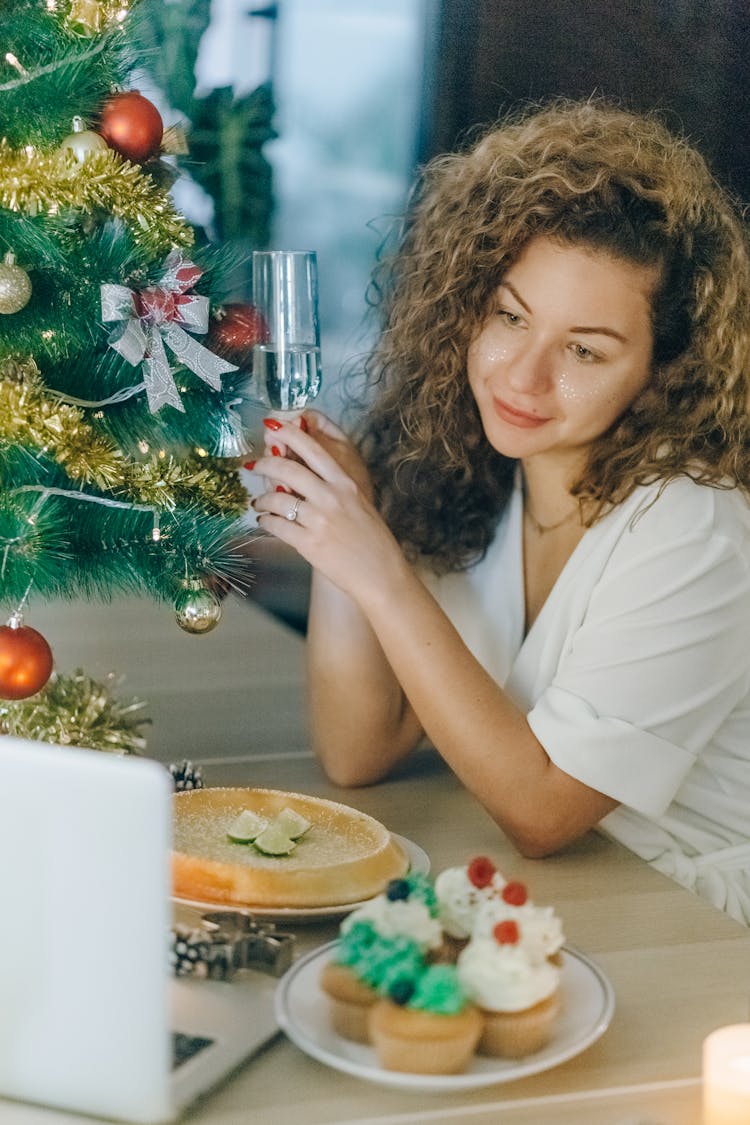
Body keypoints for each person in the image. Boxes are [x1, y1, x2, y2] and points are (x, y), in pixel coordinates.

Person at [251, 98, 750, 925]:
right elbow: (357, 750)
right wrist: (350, 529)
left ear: (664, 371)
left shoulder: (695, 529)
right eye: (509, 316)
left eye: (584, 350)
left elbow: (544, 811)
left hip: (695, 929)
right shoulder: (478, 474)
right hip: (568, 897)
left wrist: (378, 568)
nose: (522, 376)